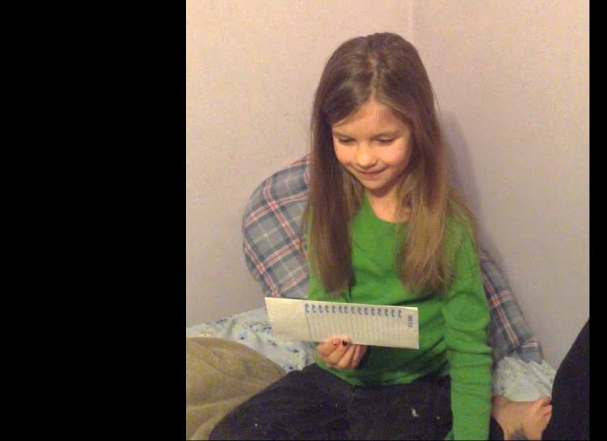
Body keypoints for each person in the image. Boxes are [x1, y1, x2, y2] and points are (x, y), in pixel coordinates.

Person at [211, 32, 498, 440]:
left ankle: (505, 417)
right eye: (346, 140)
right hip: (334, 382)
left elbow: (470, 350)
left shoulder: (448, 227)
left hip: (412, 387)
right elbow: (327, 298)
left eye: (384, 140)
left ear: (418, 131)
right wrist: (330, 347)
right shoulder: (330, 209)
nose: (363, 158)